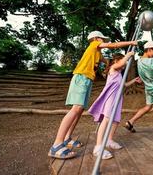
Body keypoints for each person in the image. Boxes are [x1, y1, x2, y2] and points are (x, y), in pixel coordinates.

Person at [48, 31, 137, 159]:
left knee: (79, 111)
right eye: (102, 39)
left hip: (88, 80)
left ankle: (67, 138)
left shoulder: (97, 54)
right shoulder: (94, 45)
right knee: (75, 109)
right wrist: (130, 43)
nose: (103, 41)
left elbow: (109, 62)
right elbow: (112, 46)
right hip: (81, 77)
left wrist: (113, 64)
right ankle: (57, 144)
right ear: (96, 38)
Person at [88, 52, 141, 159]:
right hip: (111, 98)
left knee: (116, 120)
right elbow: (121, 63)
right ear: (116, 61)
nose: (124, 66)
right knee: (106, 120)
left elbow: (124, 85)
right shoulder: (112, 69)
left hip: (118, 99)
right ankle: (98, 146)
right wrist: (128, 55)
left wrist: (133, 81)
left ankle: (109, 140)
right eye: (122, 63)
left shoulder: (119, 74)